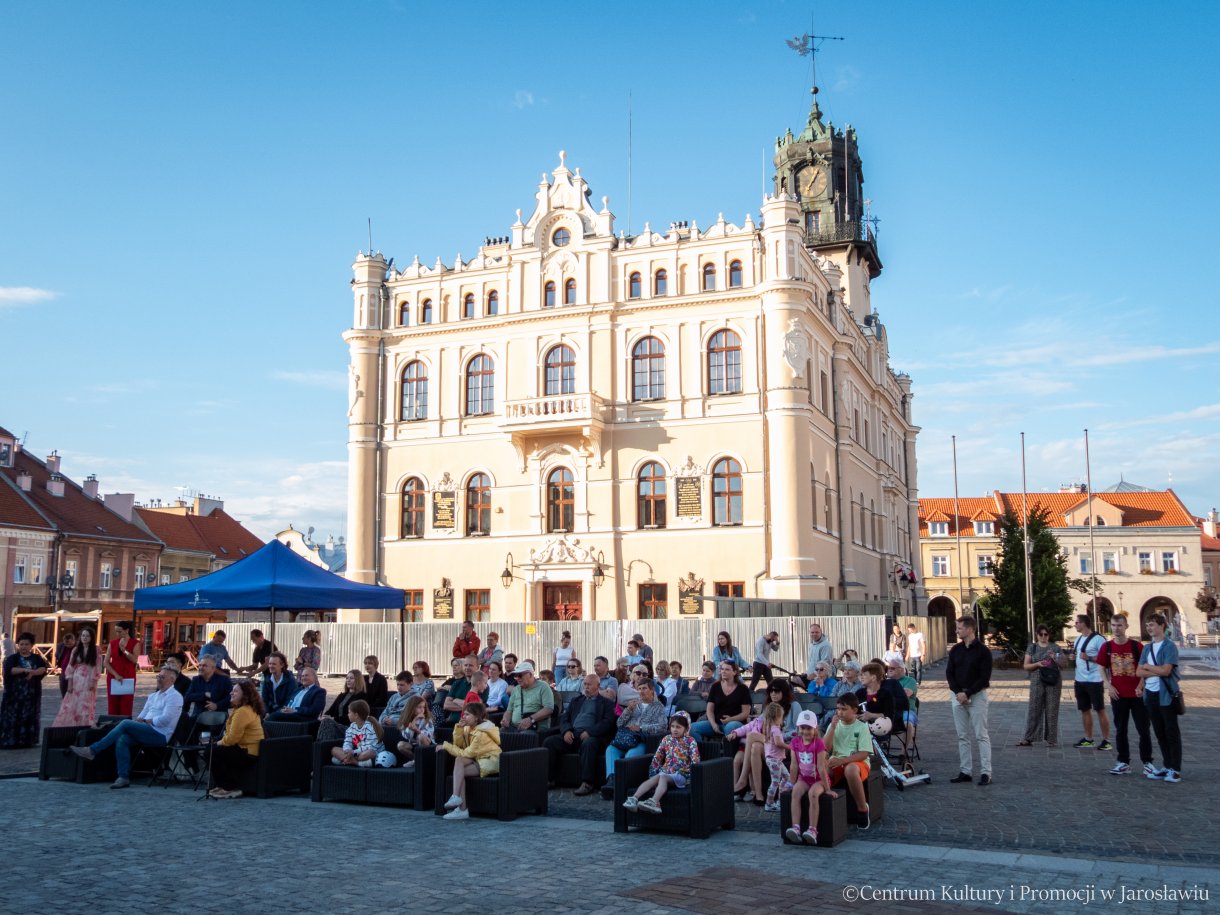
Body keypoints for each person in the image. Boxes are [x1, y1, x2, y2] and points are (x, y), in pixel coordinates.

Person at [71, 667, 183, 788]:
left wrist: (146, 721)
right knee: (123, 739)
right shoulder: (153, 696)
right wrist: (141, 721)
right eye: (158, 676)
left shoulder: (175, 696)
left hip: (160, 734)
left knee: (125, 723)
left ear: (172, 680)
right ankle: (123, 777)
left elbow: (165, 720)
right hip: (146, 729)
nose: (159, 679)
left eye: (162, 677)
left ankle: (93, 750)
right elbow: (142, 715)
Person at [1098, 614, 1153, 776]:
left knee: (1144, 730)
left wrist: (1140, 685)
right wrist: (1108, 685)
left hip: (1137, 695)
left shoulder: (1137, 647)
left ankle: (1147, 762)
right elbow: (1101, 667)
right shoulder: (1107, 647)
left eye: (1119, 625)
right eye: (1114, 625)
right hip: (1118, 695)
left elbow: (1145, 668)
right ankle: (1123, 762)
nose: (1116, 629)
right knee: (1121, 730)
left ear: (1126, 627)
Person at [543, 673, 616, 794]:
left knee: (589, 744)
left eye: (589, 685)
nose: (586, 687)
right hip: (573, 734)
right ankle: (549, 779)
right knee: (549, 742)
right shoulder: (576, 700)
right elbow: (564, 718)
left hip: (592, 736)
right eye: (585, 684)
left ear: (598, 686)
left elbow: (607, 722)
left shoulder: (606, 703)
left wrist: (590, 732)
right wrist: (567, 731)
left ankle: (587, 783)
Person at [621, 711, 699, 815]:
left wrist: (693, 778)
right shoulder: (666, 739)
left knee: (663, 777)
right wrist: (653, 772)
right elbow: (657, 757)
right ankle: (634, 799)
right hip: (666, 772)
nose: (675, 729)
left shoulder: (690, 741)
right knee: (657, 776)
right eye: (673, 726)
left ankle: (654, 801)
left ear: (686, 728)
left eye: (678, 727)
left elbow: (695, 759)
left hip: (682, 775)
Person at [946, 615, 993, 786]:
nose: (956, 631)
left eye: (959, 628)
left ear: (970, 629)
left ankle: (986, 772)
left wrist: (969, 693)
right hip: (957, 696)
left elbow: (984, 677)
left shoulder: (983, 651)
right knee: (962, 736)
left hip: (977, 695)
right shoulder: (955, 650)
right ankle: (965, 770)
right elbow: (949, 673)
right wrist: (958, 692)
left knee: (981, 735)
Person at [1138, 613, 1182, 783]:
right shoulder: (1147, 648)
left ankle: (1176, 769)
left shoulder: (1169, 646)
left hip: (1166, 695)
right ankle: (1167, 765)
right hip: (1151, 695)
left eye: (1153, 624)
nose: (1149, 628)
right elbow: (1138, 672)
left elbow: (1166, 671)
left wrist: (1148, 666)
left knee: (1171, 732)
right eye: (1147, 625)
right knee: (1159, 732)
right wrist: (1152, 669)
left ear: (1162, 625)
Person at [602, 679, 668, 793]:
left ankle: (621, 784)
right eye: (639, 689)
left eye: (644, 688)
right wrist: (628, 710)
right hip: (625, 739)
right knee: (610, 750)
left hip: (641, 740)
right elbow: (619, 724)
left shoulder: (658, 707)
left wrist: (641, 728)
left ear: (652, 690)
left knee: (631, 754)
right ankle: (612, 781)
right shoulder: (634, 705)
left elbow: (662, 726)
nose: (641, 691)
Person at [440, 702, 501, 819]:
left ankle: (461, 807)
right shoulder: (469, 727)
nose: (463, 717)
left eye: (467, 714)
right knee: (459, 762)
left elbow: (466, 753)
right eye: (464, 714)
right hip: (477, 759)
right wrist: (458, 729)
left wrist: (445, 746)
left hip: (490, 761)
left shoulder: (481, 734)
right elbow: (459, 745)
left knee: (459, 770)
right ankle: (457, 800)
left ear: (477, 717)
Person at [207, 679, 265, 799]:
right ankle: (223, 784)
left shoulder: (243, 711)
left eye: (235, 691)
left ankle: (230, 787)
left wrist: (217, 742)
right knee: (214, 750)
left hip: (248, 751)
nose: (231, 693)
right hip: (244, 747)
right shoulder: (243, 709)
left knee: (211, 751)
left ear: (245, 695)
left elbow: (232, 739)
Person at [728, 699, 790, 810]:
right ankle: (758, 794)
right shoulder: (758, 722)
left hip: (771, 749)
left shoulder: (776, 728)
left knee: (751, 736)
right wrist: (735, 732)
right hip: (760, 748)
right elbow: (745, 727)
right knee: (754, 746)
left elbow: (780, 741)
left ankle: (743, 780)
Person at [785, 710, 835, 845]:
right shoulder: (795, 742)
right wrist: (792, 783)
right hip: (804, 778)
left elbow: (821, 768)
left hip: (819, 779)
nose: (805, 732)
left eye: (808, 728)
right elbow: (794, 765)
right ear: (798, 728)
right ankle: (796, 827)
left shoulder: (819, 743)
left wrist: (827, 788)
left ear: (815, 729)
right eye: (802, 728)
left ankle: (813, 829)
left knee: (813, 794)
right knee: (795, 792)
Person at [824, 693, 871, 828]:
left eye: (844, 709)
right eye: (838, 709)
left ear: (854, 710)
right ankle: (824, 807)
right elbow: (825, 749)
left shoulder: (861, 727)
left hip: (857, 763)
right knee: (821, 766)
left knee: (850, 769)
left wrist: (843, 761)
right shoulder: (834, 724)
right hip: (837, 761)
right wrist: (832, 728)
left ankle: (862, 808)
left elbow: (863, 753)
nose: (840, 712)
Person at [1017, 625, 1064, 747]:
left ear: (1049, 635)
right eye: (1041, 634)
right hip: (1037, 680)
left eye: (1046, 634)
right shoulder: (1032, 648)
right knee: (1034, 709)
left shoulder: (1055, 647)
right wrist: (1037, 664)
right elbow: (1026, 666)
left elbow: (1064, 664)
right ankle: (1029, 737)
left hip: (1053, 681)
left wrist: (1055, 657)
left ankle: (1051, 739)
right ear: (1037, 635)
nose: (1043, 637)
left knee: (1052, 710)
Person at [1070, 613, 1111, 750]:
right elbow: (1078, 657)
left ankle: (1106, 740)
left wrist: (1090, 658)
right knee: (1085, 709)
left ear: (1083, 624)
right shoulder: (1078, 639)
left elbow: (1106, 659)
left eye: (1077, 623)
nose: (1075, 625)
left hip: (1094, 680)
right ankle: (1088, 738)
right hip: (1080, 680)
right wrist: (1073, 657)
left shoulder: (1099, 639)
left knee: (1100, 709)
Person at [0, 632, 49, 748]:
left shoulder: (36, 658)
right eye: (21, 644)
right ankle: (11, 740)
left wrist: (34, 672)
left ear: (31, 645)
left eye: (26, 644)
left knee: (28, 715)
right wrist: (25, 670)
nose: (23, 646)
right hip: (14, 694)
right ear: (18, 645)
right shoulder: (13, 658)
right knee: (13, 716)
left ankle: (26, 741)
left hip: (31, 695)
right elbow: (9, 670)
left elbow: (43, 668)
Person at [52, 627, 102, 728]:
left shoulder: (96, 650)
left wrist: (93, 680)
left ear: (92, 637)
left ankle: (85, 725)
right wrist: (70, 682)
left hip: (89, 678)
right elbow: (71, 666)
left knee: (86, 703)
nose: (85, 638)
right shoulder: (76, 649)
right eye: (83, 635)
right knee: (72, 702)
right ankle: (70, 725)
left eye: (87, 636)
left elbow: (97, 666)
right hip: (77, 678)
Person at [692, 661, 751, 740]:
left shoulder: (743, 689)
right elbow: (709, 710)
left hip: (735, 722)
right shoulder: (715, 686)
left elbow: (745, 713)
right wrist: (713, 724)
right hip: (716, 722)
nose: (723, 671)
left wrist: (730, 719)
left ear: (734, 672)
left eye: (727, 669)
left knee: (730, 727)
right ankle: (701, 750)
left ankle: (728, 751)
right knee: (692, 728)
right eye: (722, 669)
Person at [331, 700, 388, 767]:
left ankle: (350, 761)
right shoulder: (352, 726)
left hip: (372, 753)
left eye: (349, 713)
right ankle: (353, 761)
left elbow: (369, 747)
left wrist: (353, 753)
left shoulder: (370, 726)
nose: (348, 715)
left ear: (356, 715)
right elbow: (347, 741)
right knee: (334, 750)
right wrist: (347, 750)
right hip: (356, 753)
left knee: (369, 753)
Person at [501, 662, 555, 732]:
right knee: (498, 734)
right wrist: (505, 719)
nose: (517, 678)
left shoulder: (543, 687)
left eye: (520, 675)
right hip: (514, 727)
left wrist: (531, 719)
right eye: (515, 675)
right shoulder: (516, 689)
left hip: (534, 728)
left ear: (530, 674)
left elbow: (549, 709)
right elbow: (509, 710)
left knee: (524, 736)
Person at [104, 620, 140, 717]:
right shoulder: (112, 643)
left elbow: (135, 660)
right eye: (116, 631)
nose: (117, 634)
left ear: (126, 630)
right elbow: (106, 662)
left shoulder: (135, 643)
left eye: (119, 631)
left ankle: (125, 725)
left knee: (126, 704)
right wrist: (115, 674)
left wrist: (125, 651)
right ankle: (112, 725)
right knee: (113, 704)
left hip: (128, 676)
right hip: (113, 676)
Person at [184, 656, 233, 721]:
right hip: (199, 716)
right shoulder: (196, 680)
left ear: (213, 668)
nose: (201, 668)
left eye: (204, 666)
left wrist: (217, 705)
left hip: (218, 716)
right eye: (200, 665)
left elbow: (231, 697)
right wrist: (204, 695)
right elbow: (188, 697)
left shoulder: (224, 680)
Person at [394, 695, 435, 769]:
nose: (422, 710)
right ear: (412, 708)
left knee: (421, 737)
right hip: (414, 745)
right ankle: (417, 760)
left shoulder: (427, 719)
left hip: (428, 746)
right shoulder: (405, 719)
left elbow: (427, 737)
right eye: (419, 707)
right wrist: (415, 720)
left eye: (424, 707)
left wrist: (417, 730)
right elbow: (407, 736)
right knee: (400, 745)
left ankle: (418, 761)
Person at [792, 623, 834, 691]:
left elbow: (826, 663)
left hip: (819, 677)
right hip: (810, 675)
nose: (814, 634)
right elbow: (812, 662)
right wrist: (807, 672)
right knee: (794, 680)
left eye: (817, 632)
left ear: (821, 632)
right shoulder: (812, 644)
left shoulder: (825, 646)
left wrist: (814, 674)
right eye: (812, 632)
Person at [443, 656, 478, 725]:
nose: (467, 668)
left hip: (469, 725)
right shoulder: (456, 683)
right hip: (451, 723)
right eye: (465, 665)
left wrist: (455, 700)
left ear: (477, 667)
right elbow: (446, 705)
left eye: (470, 665)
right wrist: (467, 704)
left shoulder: (481, 685)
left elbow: (475, 708)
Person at [55, 631, 77, 697]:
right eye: (66, 644)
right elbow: (57, 655)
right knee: (63, 689)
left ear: (74, 640)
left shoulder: (78, 647)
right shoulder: (60, 646)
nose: (68, 646)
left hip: (75, 671)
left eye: (70, 644)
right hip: (64, 671)